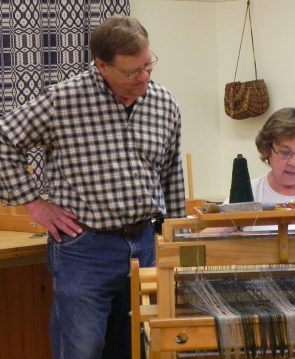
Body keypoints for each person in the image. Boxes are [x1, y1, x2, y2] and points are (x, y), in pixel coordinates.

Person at [0, 15, 186, 359]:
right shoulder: (63, 101)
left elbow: (171, 173)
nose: (144, 77)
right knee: (82, 350)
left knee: (137, 347)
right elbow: (4, 139)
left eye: (148, 65)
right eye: (132, 72)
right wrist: (33, 202)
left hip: (145, 244)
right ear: (101, 65)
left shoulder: (164, 103)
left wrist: (174, 237)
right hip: (85, 248)